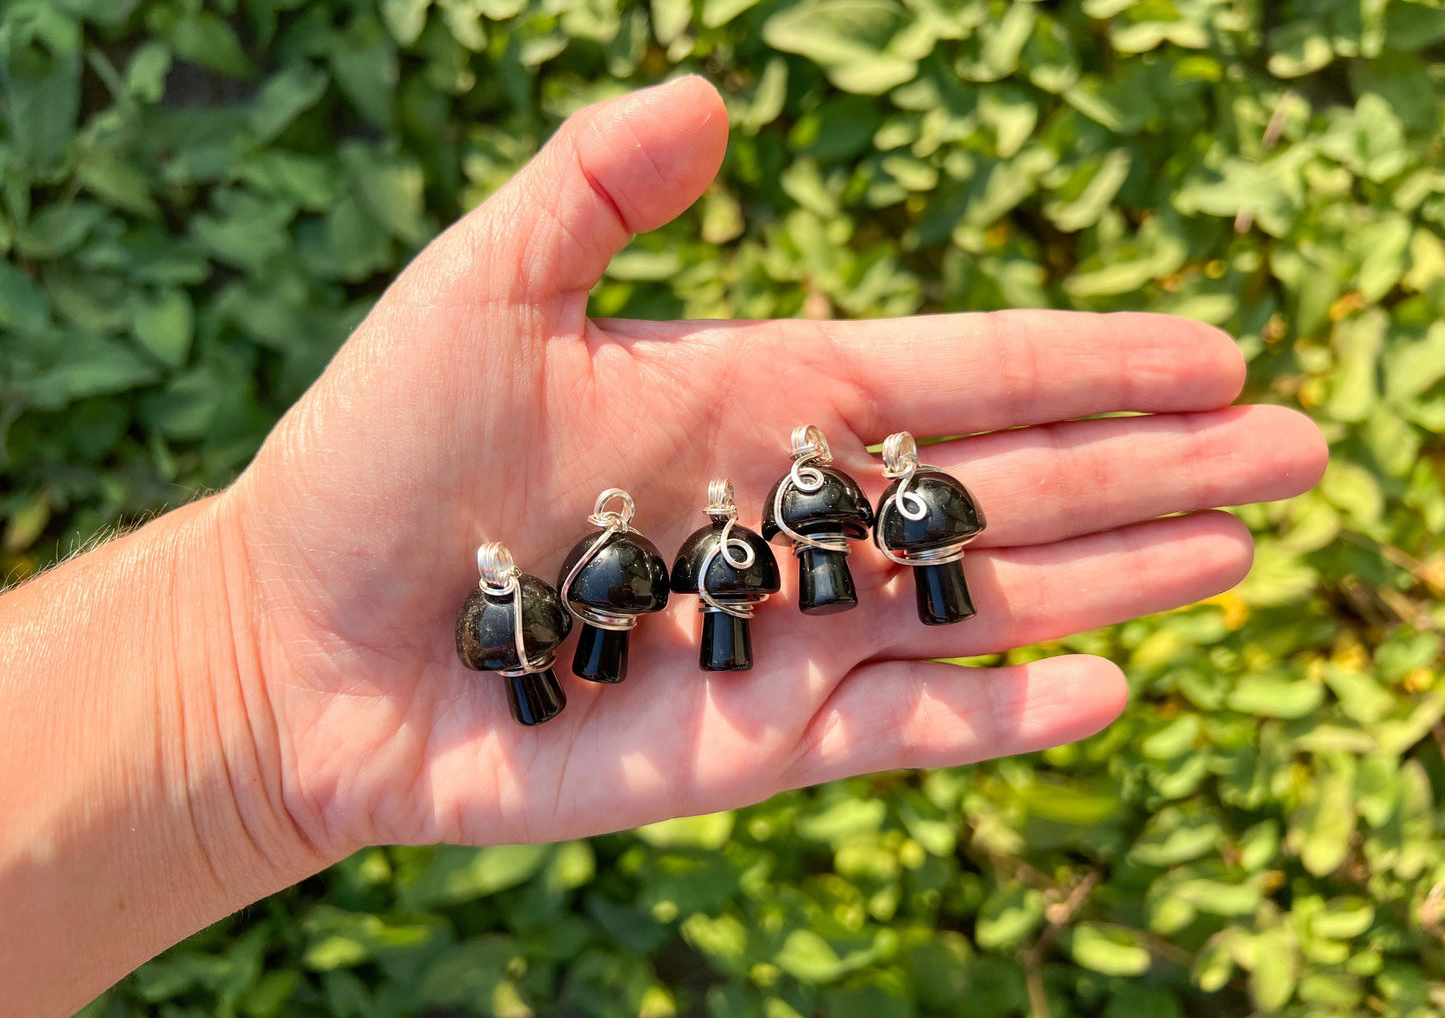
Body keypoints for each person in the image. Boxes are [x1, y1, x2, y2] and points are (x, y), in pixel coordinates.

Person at [0, 77, 1328, 1018]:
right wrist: (252, 645)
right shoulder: (605, 579)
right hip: (622, 607)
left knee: (833, 581)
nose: (809, 498)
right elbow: (654, 579)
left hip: (708, 586)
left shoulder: (768, 532)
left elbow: (760, 550)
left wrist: (236, 659)